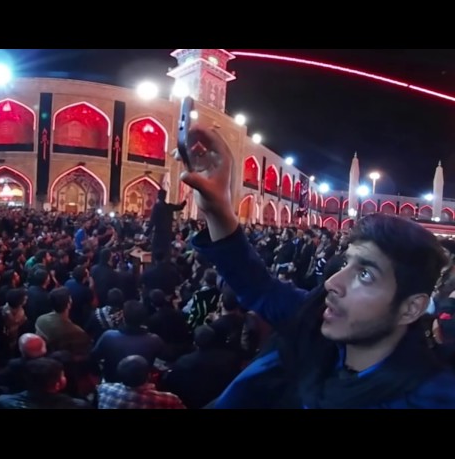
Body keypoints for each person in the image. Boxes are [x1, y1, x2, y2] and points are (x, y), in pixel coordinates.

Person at [176, 124, 455, 409]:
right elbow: (257, 285)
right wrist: (217, 207)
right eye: (346, 263)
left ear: (410, 308)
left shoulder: (430, 396)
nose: (333, 283)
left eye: (366, 274)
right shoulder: (314, 324)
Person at [145, 189, 186, 258]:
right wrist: (185, 199)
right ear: (165, 197)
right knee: (166, 254)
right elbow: (180, 207)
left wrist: (146, 234)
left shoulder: (156, 207)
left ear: (158, 196)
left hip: (158, 235)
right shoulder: (169, 207)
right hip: (167, 235)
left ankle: (156, 267)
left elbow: (152, 221)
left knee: (156, 254)